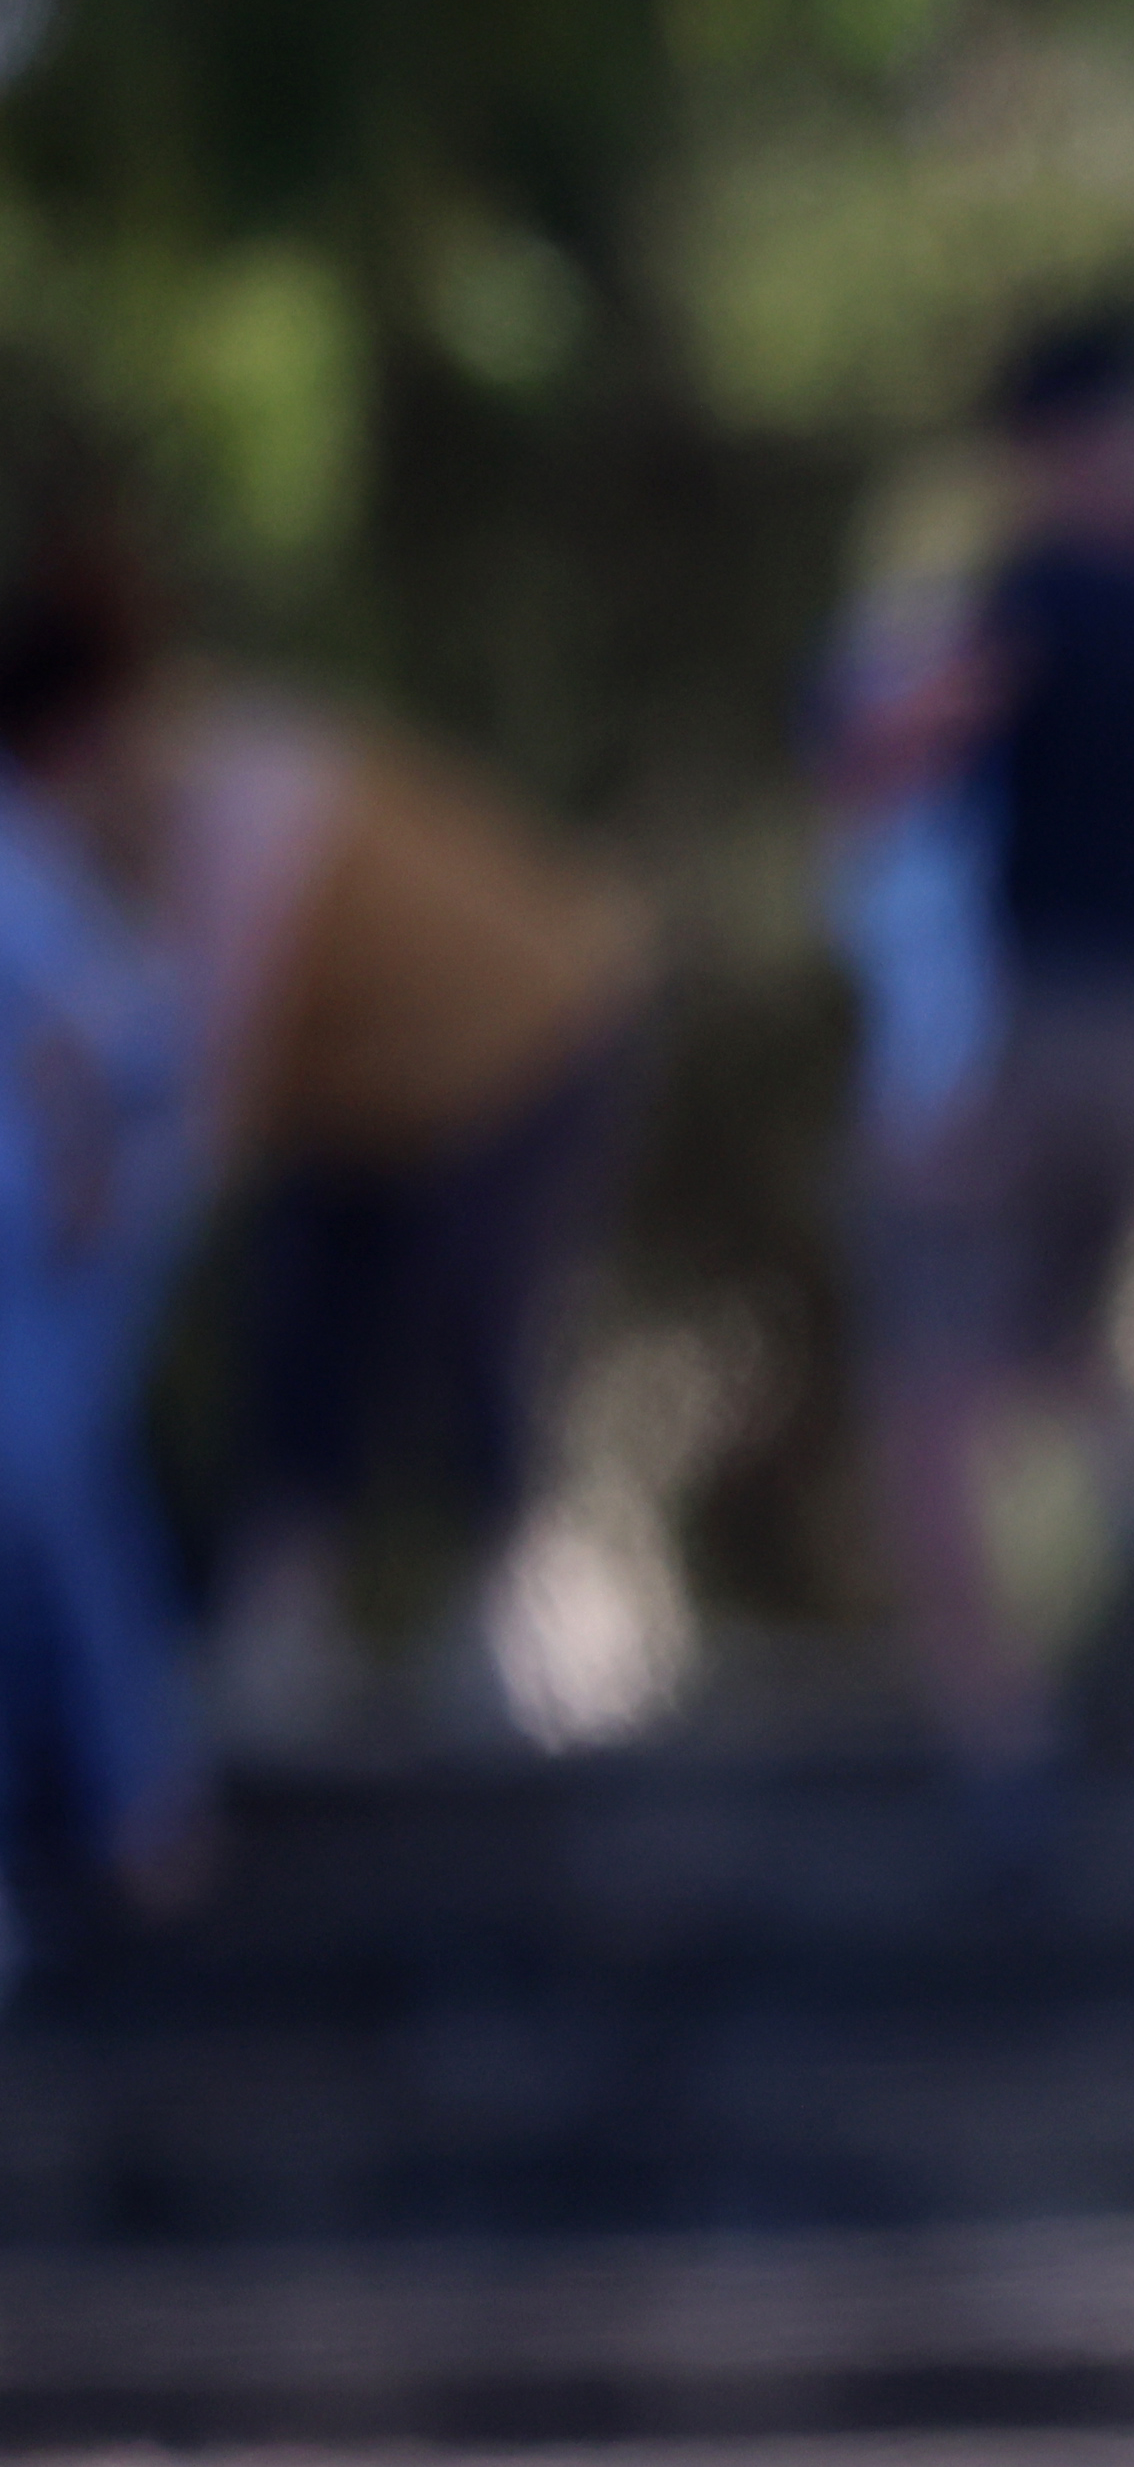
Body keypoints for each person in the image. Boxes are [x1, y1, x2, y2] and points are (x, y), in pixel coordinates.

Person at [0, 507, 655, 1757]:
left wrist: (88, 1252)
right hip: (364, 1100)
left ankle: (515, 1632)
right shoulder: (142, 818)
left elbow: (211, 1072)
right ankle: (276, 1633)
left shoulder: (239, 786)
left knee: (475, 1323)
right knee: (300, 1319)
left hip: (530, 1043)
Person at [850, 306, 1134, 1789]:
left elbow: (892, 751)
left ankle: (994, 1730)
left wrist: (870, 706)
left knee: (927, 1373)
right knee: (1060, 1335)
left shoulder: (1036, 598)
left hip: (1014, 1021)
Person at [0, 546, 212, 1978]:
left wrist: (88, 1163)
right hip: (46, 1249)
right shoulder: (35, 856)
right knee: (56, 1508)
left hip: (48, 1256)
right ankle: (134, 1809)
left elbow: (107, 1046)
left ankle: (141, 1807)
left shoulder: (42, 859)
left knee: (57, 1501)